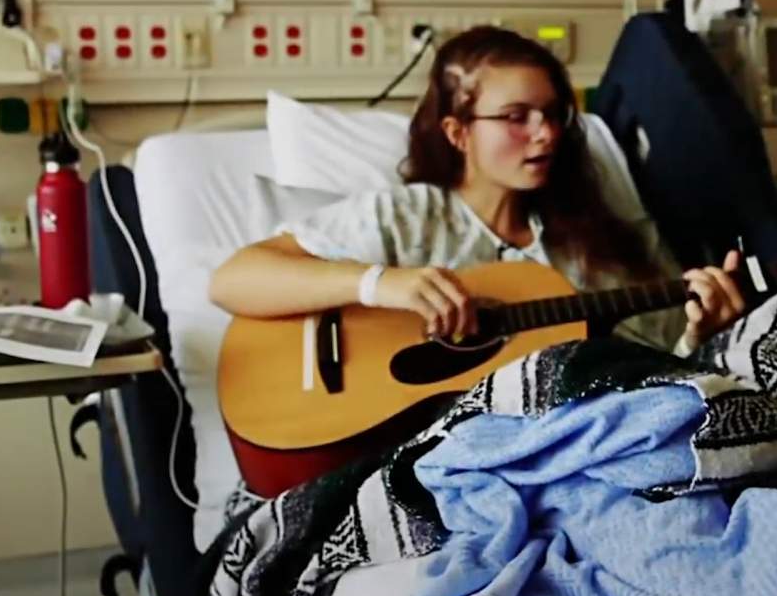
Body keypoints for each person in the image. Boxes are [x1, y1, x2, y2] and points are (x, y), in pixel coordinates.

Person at [210, 26, 745, 356]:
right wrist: (378, 285)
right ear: (458, 132)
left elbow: (672, 367)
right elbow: (234, 281)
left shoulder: (603, 239)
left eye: (554, 115)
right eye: (515, 117)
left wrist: (706, 332)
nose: (546, 133)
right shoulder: (407, 218)